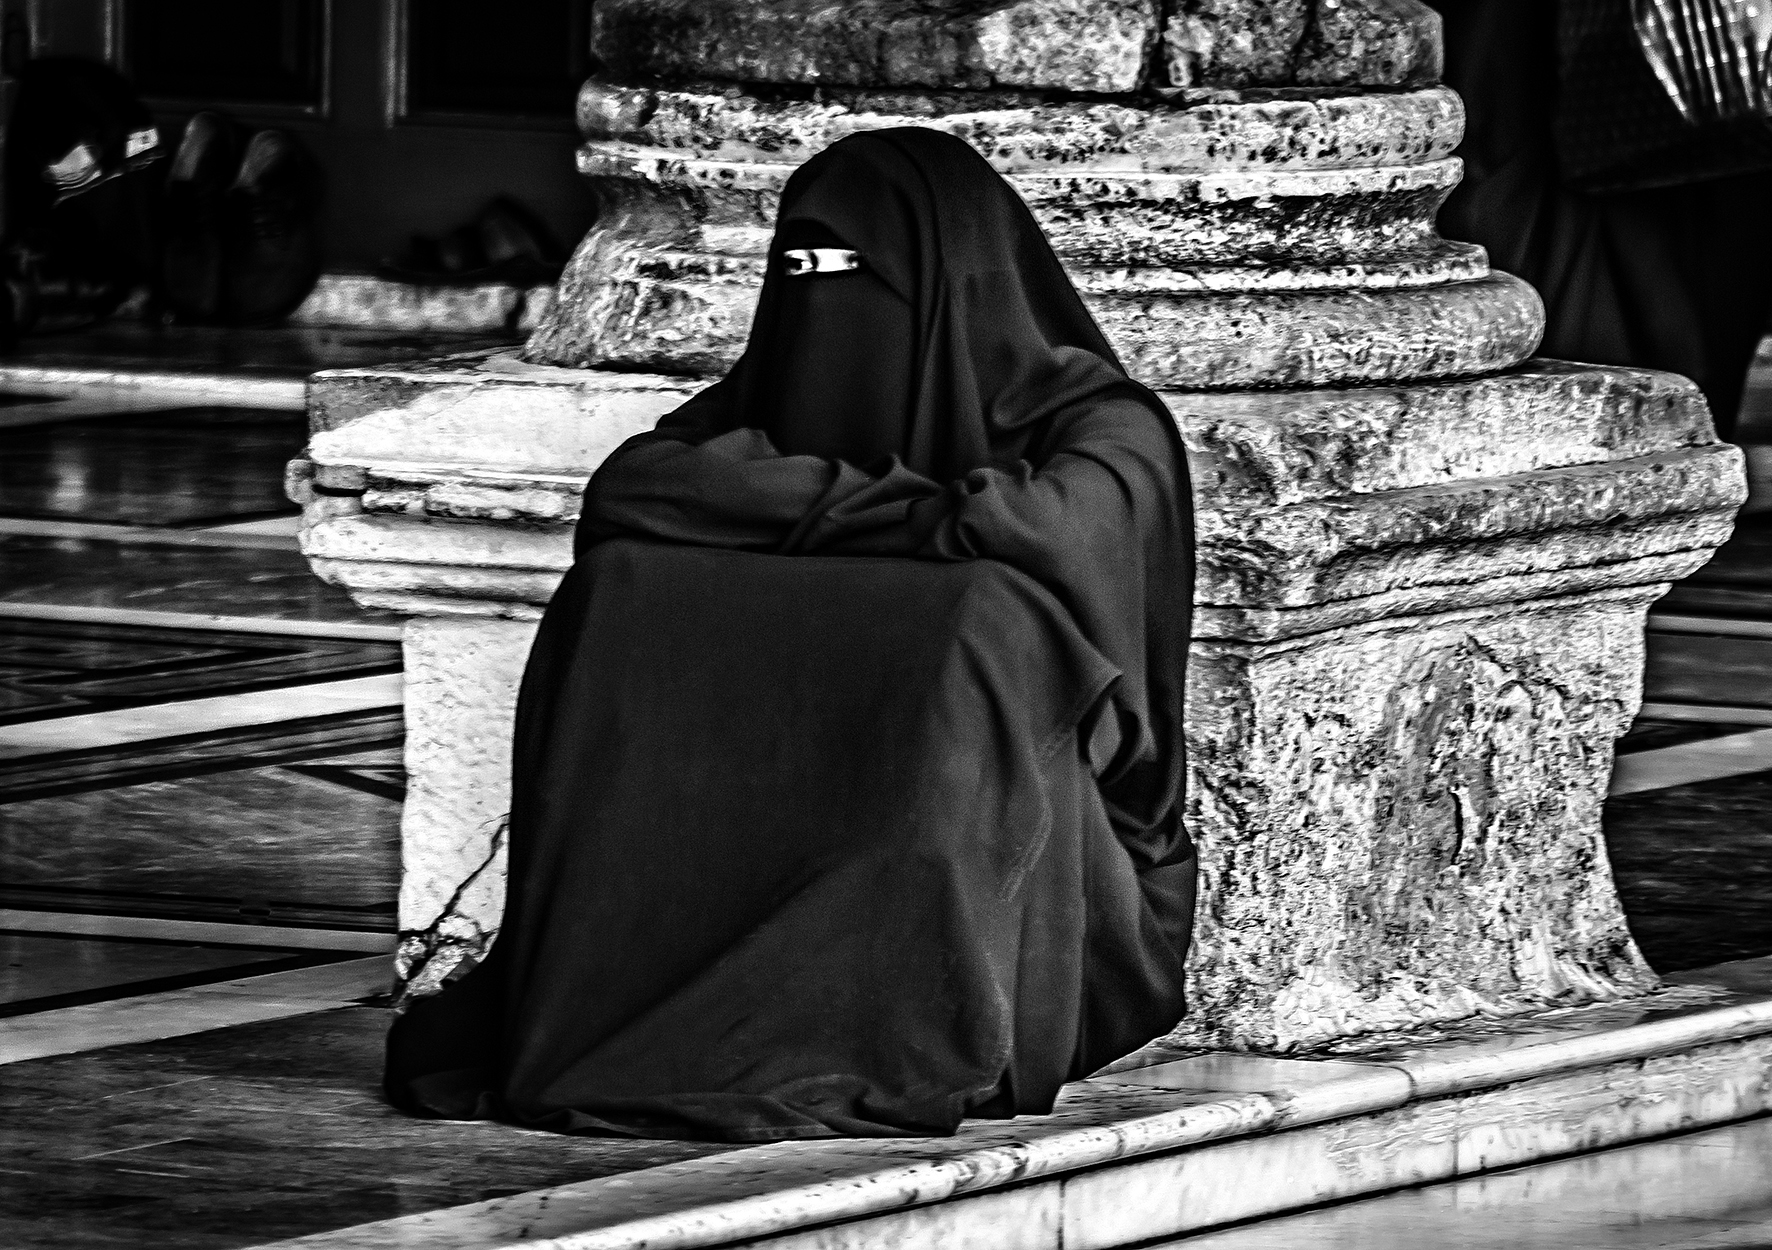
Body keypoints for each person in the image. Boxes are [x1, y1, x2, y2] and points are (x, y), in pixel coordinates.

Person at [384, 128, 1197, 1141]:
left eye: (850, 271)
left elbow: (1044, 528)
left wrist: (795, 516)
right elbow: (637, 486)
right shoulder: (761, 397)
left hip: (1063, 886)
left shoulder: (1105, 427)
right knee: (625, 587)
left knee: (981, 618)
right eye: (796, 269)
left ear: (949, 273)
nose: (818, 299)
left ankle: (890, 1020)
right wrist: (920, 515)